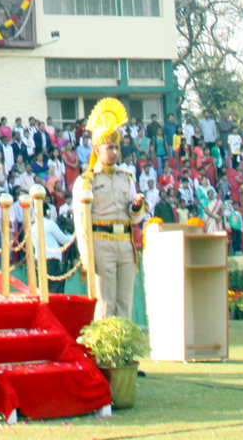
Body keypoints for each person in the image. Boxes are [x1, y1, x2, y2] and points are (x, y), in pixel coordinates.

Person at [76, 98, 145, 321]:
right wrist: (86, 254)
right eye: (110, 147)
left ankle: (124, 349)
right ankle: (105, 351)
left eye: (116, 147)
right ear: (97, 149)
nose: (115, 151)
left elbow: (134, 218)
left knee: (125, 301)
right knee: (106, 303)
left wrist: (136, 207)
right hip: (100, 241)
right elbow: (81, 220)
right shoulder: (87, 180)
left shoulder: (127, 178)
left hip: (124, 242)